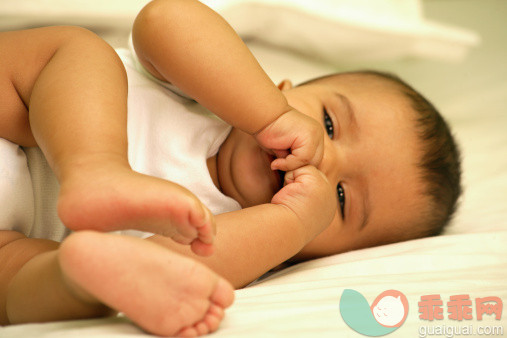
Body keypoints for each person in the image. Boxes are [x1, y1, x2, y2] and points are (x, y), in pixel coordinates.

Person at [0, 0, 461, 337]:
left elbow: (175, 264)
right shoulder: (206, 91)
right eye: (328, 123)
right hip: (13, 113)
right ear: (278, 86)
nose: (324, 159)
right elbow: (164, 19)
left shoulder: (254, 236)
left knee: (25, 284)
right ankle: (96, 169)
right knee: (77, 52)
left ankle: (80, 273)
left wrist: (294, 222)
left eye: (341, 199)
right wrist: (269, 114)